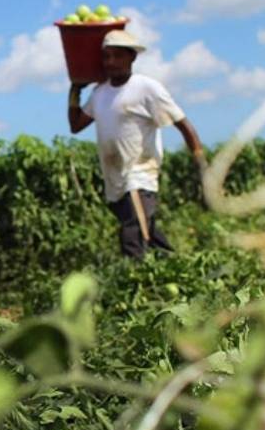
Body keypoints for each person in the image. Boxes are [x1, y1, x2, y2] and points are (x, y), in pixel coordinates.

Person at [66, 29, 207, 258]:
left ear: (132, 57)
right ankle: (180, 270)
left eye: (118, 56)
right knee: (147, 234)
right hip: (115, 177)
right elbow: (76, 125)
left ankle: (133, 286)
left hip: (140, 174)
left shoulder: (147, 88)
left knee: (132, 237)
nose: (111, 62)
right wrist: (75, 91)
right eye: (106, 56)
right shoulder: (100, 93)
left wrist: (200, 162)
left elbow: (182, 124)